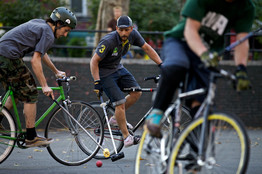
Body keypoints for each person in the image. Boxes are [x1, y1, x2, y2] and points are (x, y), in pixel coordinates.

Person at [145, 0, 255, 138]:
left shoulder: (245, 6)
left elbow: (242, 40)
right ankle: (156, 113)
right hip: (180, 42)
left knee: (201, 100)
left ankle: (196, 152)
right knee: (177, 66)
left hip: (206, 53)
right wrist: (204, 53)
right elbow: (190, 30)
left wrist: (241, 68)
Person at [0, 7, 77, 147]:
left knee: (17, 93)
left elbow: (41, 52)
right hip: (8, 57)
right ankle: (31, 137)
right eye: (66, 30)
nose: (65, 34)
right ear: (58, 24)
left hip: (3, 55)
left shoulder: (41, 25)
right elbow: (35, 60)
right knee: (31, 93)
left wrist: (55, 71)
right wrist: (45, 85)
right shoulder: (48, 33)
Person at [90, 15, 162, 147]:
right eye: (121, 30)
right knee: (120, 103)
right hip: (105, 73)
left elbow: (146, 48)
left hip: (118, 68)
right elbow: (94, 61)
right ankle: (126, 137)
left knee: (137, 92)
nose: (124, 33)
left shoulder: (134, 35)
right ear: (116, 28)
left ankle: (115, 119)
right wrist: (97, 81)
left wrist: (161, 64)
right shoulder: (109, 41)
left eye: (127, 30)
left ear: (131, 28)